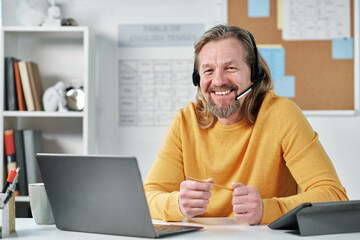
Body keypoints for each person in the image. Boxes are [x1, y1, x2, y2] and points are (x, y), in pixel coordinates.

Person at [143, 25, 348, 225]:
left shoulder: (281, 114)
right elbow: (147, 197)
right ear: (197, 78)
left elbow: (334, 196)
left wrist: (266, 210)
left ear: (254, 74)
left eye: (230, 68)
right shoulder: (185, 120)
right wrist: (177, 204)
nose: (218, 80)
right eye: (208, 71)